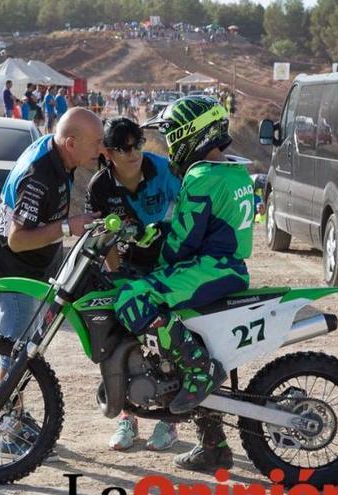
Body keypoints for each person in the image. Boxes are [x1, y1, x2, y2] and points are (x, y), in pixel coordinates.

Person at [114, 96, 254, 472]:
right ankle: (214, 446)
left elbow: (182, 242)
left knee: (133, 294)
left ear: (192, 133)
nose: (170, 144)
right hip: (227, 266)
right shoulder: (236, 172)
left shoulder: (202, 176)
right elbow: (199, 225)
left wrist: (150, 264)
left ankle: (198, 370)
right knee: (190, 340)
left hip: (211, 267)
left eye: (173, 135)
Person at [0, 108, 104, 463]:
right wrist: (69, 226)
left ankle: (16, 416)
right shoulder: (40, 174)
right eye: (96, 143)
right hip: (13, 273)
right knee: (17, 355)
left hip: (31, 273)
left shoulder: (61, 155)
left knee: (25, 352)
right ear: (71, 142)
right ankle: (8, 432)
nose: (101, 148)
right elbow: (18, 239)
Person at [85, 117, 181, 453]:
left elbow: (186, 212)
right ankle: (129, 417)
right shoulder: (99, 187)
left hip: (168, 266)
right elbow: (103, 239)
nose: (133, 153)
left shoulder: (163, 170)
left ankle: (170, 422)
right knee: (122, 342)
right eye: (123, 148)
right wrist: (119, 277)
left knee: (166, 339)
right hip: (127, 268)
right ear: (108, 152)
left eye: (137, 144)